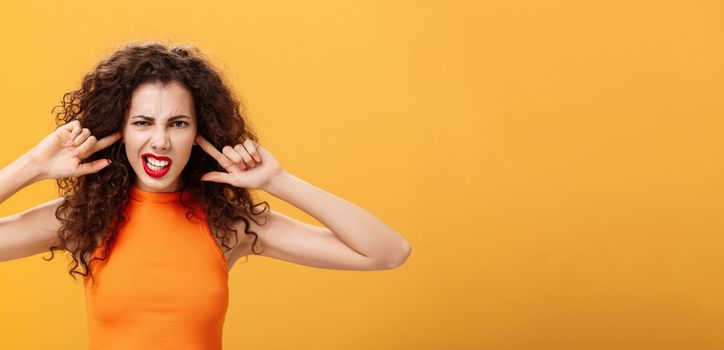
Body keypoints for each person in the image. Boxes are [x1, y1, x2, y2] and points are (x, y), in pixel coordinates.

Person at [0, 41, 411, 349]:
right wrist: (32, 166)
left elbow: (387, 252)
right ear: (119, 130)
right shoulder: (81, 221)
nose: (160, 141)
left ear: (198, 135)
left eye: (177, 124)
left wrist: (278, 182)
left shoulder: (229, 226)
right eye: (143, 122)